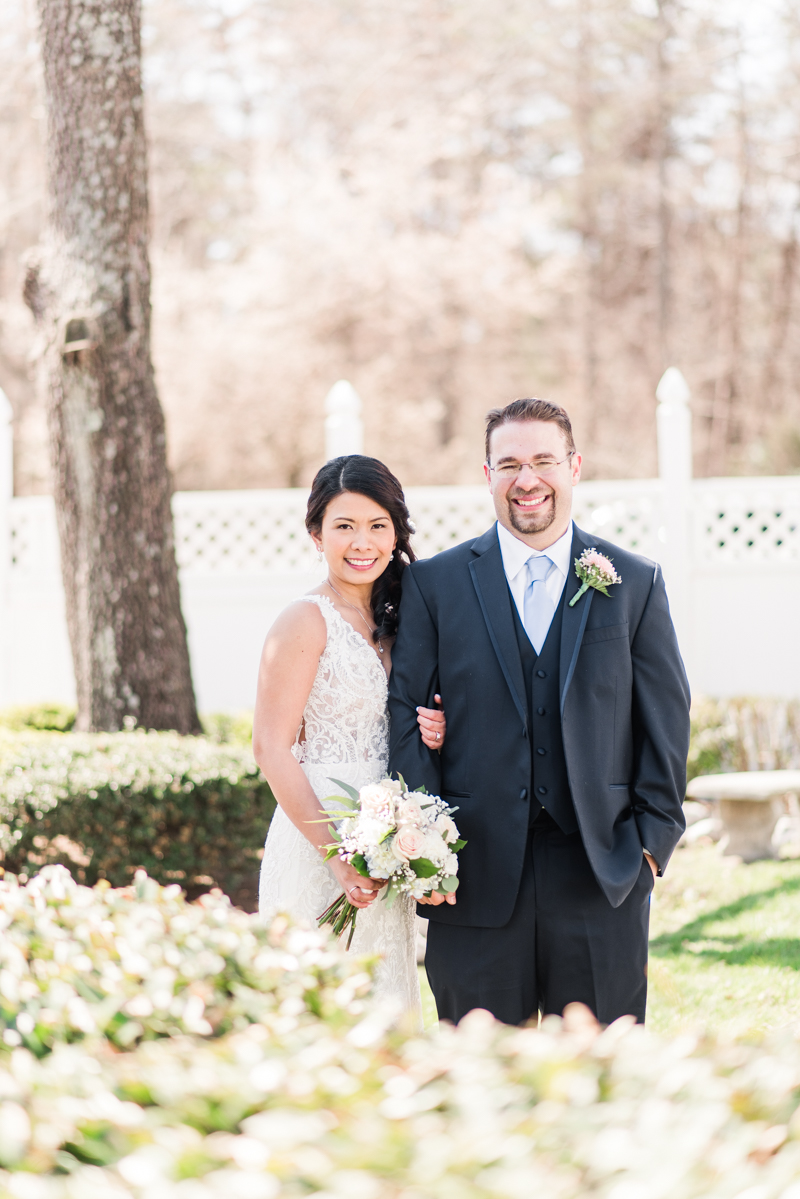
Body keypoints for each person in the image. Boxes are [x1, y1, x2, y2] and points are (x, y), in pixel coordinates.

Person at [388, 397, 690, 1026]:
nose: (527, 480)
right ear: (488, 474)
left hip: (601, 873)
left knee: (603, 1073)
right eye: (510, 464)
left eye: (543, 461)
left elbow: (665, 719)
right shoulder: (434, 585)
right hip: (469, 876)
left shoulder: (633, 583)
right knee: (480, 1081)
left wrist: (650, 846)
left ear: (574, 467)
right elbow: (407, 721)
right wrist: (426, 851)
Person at [254, 455, 446, 1018]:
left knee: (383, 1002)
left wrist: (433, 729)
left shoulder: (406, 617)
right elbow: (270, 747)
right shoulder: (303, 621)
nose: (361, 542)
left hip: (391, 840)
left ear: (395, 533)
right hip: (320, 840)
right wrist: (338, 854)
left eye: (376, 525)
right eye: (344, 526)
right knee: (317, 1007)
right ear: (316, 534)